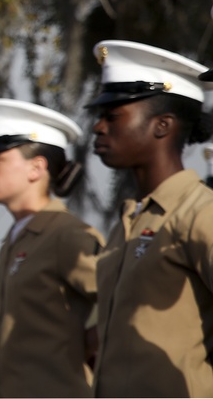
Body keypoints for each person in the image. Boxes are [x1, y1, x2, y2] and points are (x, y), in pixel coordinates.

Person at [87, 40, 213, 397]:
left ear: (162, 126)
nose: (98, 128)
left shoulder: (200, 213)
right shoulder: (128, 221)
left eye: (113, 116)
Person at [0, 98, 104, 398]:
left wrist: (87, 343)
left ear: (36, 167)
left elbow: (127, 302)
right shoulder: (18, 238)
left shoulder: (66, 234)